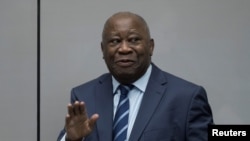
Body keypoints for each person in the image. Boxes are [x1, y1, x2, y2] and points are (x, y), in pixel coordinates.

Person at [57, 11, 214, 141]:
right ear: (103, 50)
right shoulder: (84, 96)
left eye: (133, 40)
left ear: (150, 47)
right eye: (115, 41)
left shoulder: (187, 97)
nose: (124, 49)